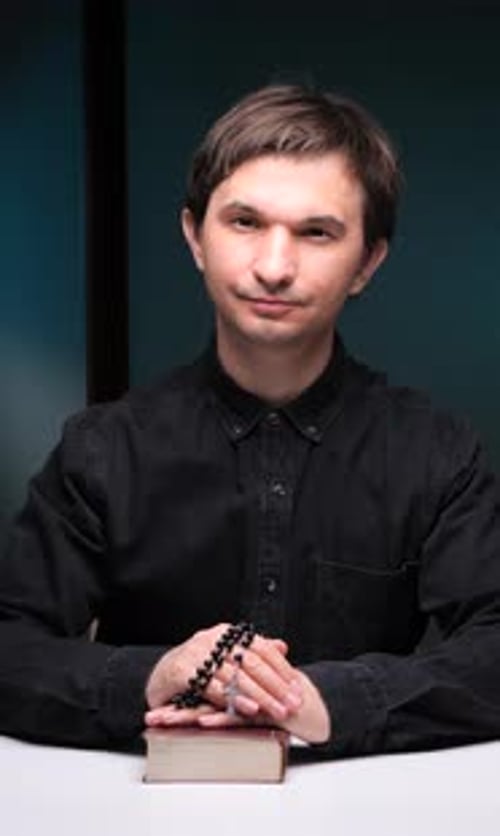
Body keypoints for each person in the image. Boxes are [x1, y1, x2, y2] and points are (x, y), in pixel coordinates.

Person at [1, 83, 500, 757]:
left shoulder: (437, 453)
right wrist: (154, 677)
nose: (273, 266)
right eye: (244, 223)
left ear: (368, 263)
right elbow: (9, 643)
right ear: (194, 237)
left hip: (368, 834)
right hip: (138, 833)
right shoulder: (103, 450)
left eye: (316, 233)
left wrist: (329, 703)